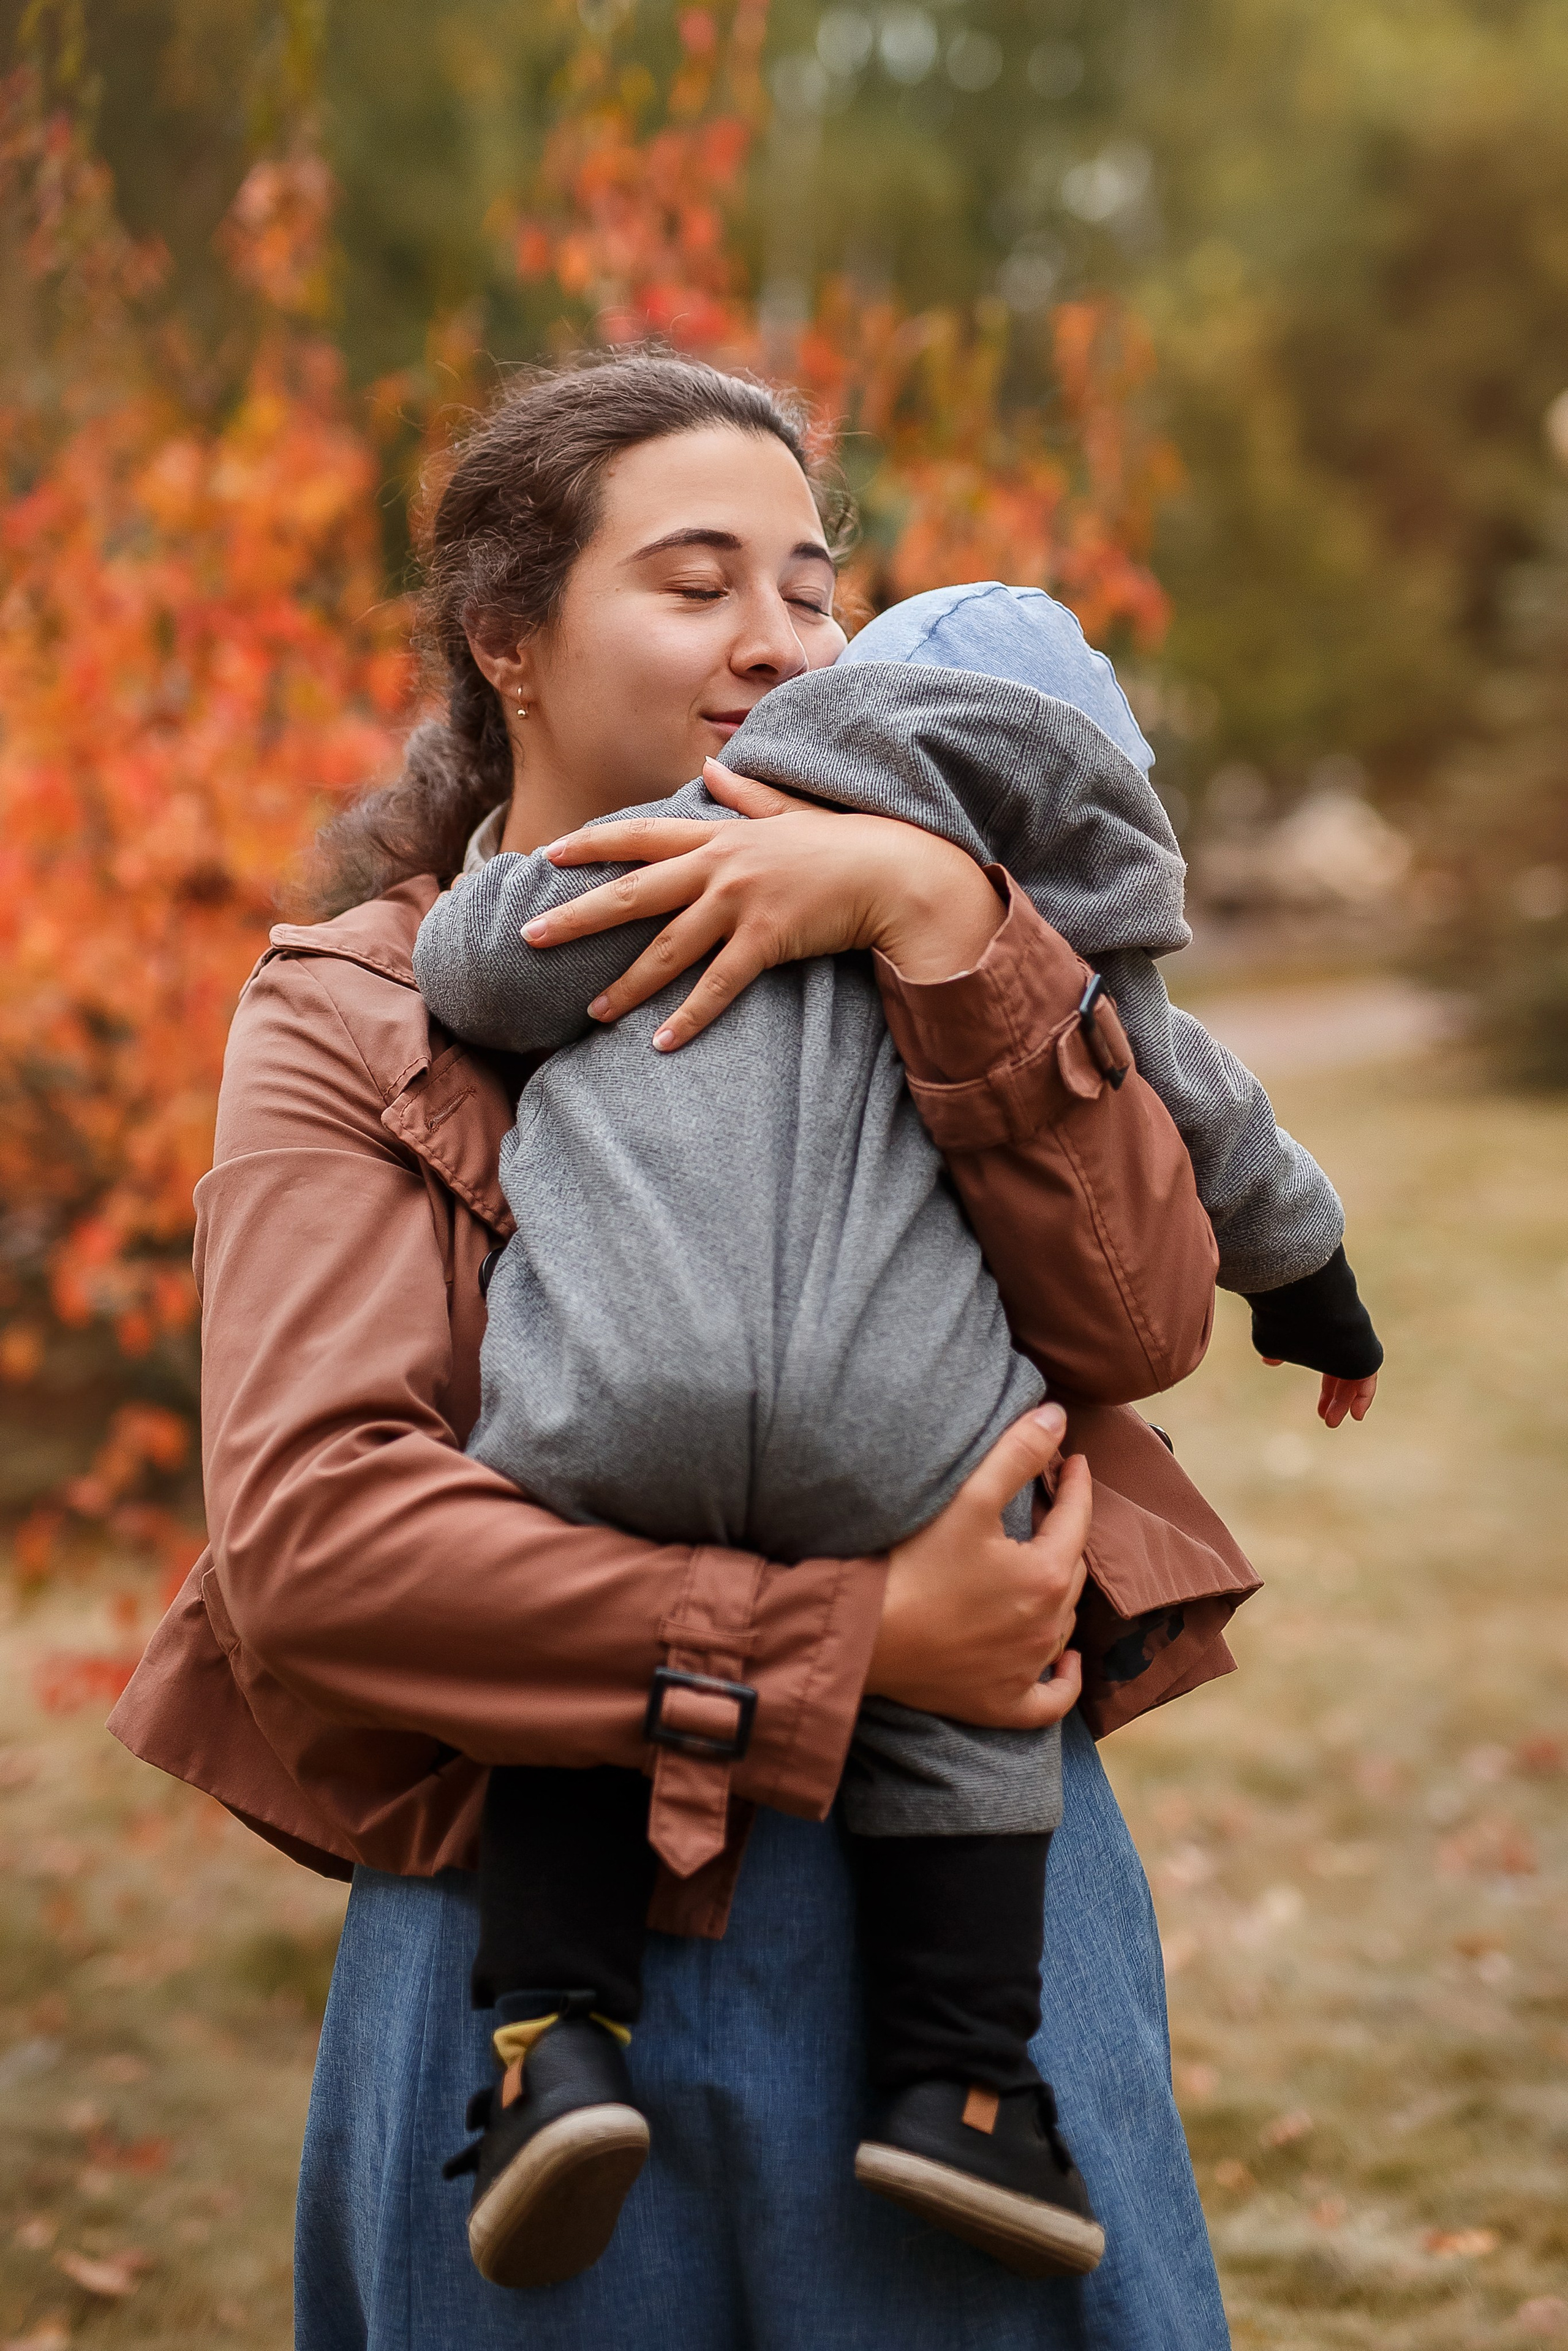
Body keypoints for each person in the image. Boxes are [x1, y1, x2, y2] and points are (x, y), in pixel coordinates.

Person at [108, 350, 1254, 2349]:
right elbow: (316, 1556)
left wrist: (929, 909)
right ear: (512, 643)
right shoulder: (360, 1015)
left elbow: (1143, 1323)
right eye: (696, 581)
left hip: (963, 1939)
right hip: (529, 1960)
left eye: (812, 588)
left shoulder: (948, 919)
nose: (777, 641)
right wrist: (857, 1641)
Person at [413, 555, 1382, 2289]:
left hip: (619, 1392)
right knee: (974, 1715)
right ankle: (960, 2091)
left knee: (570, 1684)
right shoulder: (1053, 934)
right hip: (904, 1438)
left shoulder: (704, 833)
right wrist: (1313, 1282)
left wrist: (490, 890)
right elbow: (1214, 1132)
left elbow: (489, 977)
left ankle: (550, 2045)